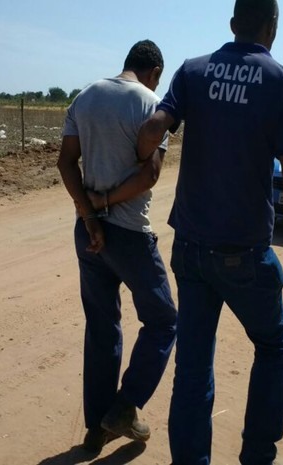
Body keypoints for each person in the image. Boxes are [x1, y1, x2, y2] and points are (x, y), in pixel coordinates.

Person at [136, 1, 283, 464]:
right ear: (271, 26)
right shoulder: (280, 81)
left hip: (191, 250)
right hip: (244, 253)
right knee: (274, 345)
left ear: (233, 24)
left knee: (193, 369)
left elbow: (156, 125)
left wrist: (145, 150)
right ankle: (257, 456)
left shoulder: (192, 71)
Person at [57, 39, 177, 454]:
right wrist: (106, 204)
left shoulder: (85, 96)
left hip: (88, 232)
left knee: (103, 327)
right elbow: (150, 176)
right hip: (128, 233)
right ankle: (125, 406)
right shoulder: (152, 105)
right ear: (155, 72)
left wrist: (90, 215)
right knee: (163, 321)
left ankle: (97, 429)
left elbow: (65, 162)